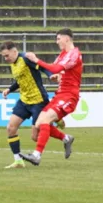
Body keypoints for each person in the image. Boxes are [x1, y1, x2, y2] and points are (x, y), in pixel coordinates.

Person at [21, 28, 81, 166]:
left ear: (67, 38)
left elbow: (55, 68)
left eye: (58, 38)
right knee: (37, 127)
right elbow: (56, 71)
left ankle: (36, 156)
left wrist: (36, 60)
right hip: (60, 94)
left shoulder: (74, 54)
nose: (57, 41)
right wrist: (57, 77)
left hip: (69, 96)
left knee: (45, 120)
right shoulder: (62, 55)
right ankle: (66, 138)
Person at [0, 41, 51, 169]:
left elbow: (43, 67)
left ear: (14, 51)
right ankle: (18, 161)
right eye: (4, 56)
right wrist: (9, 89)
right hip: (24, 100)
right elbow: (19, 80)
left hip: (38, 100)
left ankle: (60, 129)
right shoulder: (13, 64)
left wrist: (52, 75)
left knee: (35, 137)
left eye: (7, 55)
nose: (6, 59)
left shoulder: (26, 59)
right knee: (11, 128)